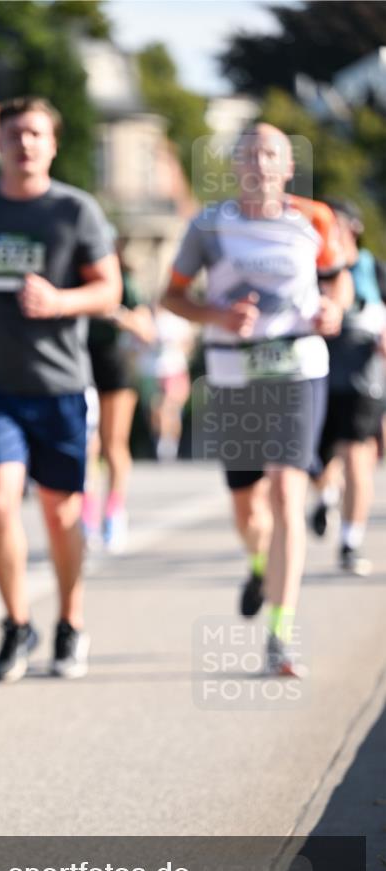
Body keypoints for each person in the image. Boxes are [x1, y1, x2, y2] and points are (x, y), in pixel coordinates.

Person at [162, 123, 351, 676]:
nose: (260, 163)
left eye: (271, 154)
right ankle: (259, 562)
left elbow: (338, 281)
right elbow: (171, 296)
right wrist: (215, 315)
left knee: (288, 489)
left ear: (288, 167)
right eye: (249, 154)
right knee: (248, 506)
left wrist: (334, 310)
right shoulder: (208, 226)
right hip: (233, 374)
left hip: (298, 368)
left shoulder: (316, 219)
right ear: (235, 165)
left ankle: (280, 634)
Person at [0, 96, 121, 682]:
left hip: (60, 387)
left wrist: (60, 300)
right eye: (14, 133)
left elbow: (110, 290)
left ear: (53, 144)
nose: (24, 143)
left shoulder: (74, 210)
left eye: (35, 134)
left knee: (60, 512)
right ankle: (17, 624)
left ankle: (70, 621)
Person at [310, 199, 386, 575]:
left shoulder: (374, 269)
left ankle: (350, 543)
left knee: (357, 457)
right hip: (316, 377)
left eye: (336, 223)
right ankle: (326, 495)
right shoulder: (312, 270)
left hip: (362, 380)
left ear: (354, 228)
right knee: (316, 464)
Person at [83, 248, 154, 552]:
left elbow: (147, 330)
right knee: (87, 444)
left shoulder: (125, 281)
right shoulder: (71, 272)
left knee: (113, 443)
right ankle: (86, 515)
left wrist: (116, 313)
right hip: (80, 364)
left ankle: (114, 512)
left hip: (116, 365)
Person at [137, 305, 194, 462]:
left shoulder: (177, 319)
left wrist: (174, 346)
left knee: (170, 408)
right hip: (151, 371)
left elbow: (188, 343)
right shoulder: (145, 317)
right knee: (155, 409)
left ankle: (170, 443)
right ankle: (160, 438)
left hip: (174, 369)